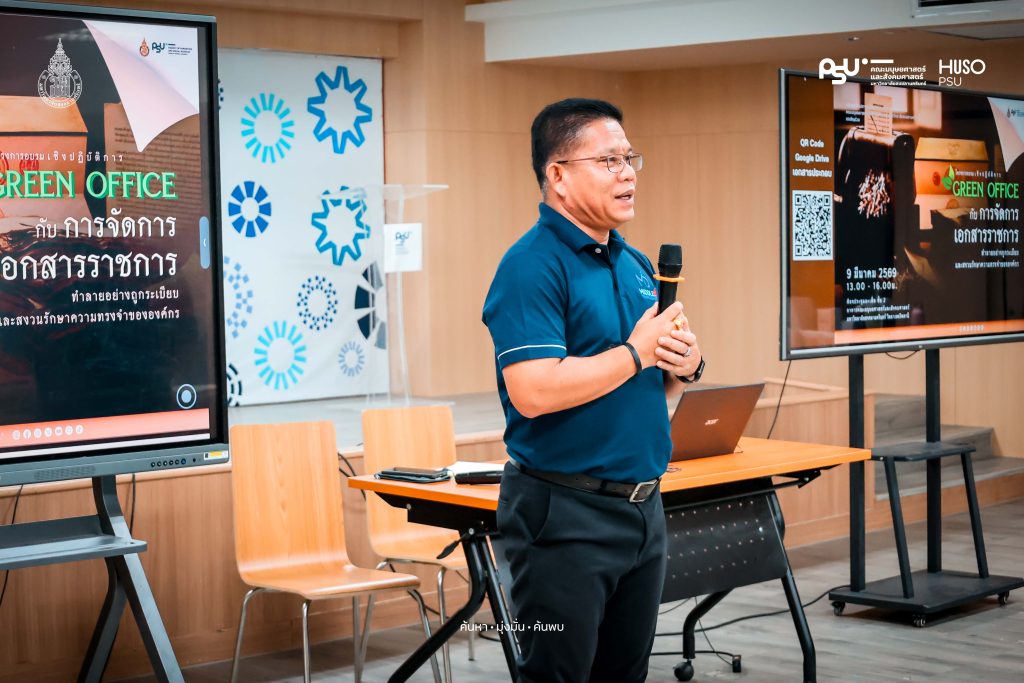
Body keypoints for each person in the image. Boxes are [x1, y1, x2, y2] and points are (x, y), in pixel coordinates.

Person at [482, 98, 704, 683]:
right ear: (557, 175)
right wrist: (637, 353)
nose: (627, 173)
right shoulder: (530, 266)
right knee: (558, 676)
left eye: (630, 158)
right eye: (608, 160)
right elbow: (533, 391)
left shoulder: (634, 264)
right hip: (564, 516)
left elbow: (651, 384)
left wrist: (685, 365)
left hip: (642, 509)